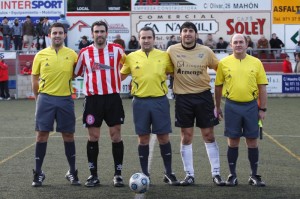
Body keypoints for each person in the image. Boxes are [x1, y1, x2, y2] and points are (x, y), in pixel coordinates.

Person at [167, 21, 225, 186]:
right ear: (180, 35)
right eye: (185, 31)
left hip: (203, 97)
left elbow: (220, 68)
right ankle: (189, 175)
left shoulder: (206, 51)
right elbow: (165, 68)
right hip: (183, 98)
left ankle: (216, 174)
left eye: (191, 31)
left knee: (209, 135)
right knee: (186, 136)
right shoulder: (172, 50)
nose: (187, 34)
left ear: (196, 34)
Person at [120, 26, 179, 185]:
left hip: (160, 101)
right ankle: (145, 173)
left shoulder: (164, 56)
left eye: (149, 37)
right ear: (139, 39)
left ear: (154, 39)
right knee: (143, 138)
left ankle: (168, 172)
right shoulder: (131, 57)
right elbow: (119, 76)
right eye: (143, 37)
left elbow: (173, 73)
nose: (146, 40)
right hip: (140, 102)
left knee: (164, 137)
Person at [74, 21, 126, 188]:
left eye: (102, 31)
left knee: (116, 136)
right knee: (93, 137)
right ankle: (93, 175)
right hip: (93, 100)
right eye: (96, 31)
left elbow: (128, 66)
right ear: (92, 34)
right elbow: (76, 72)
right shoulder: (84, 52)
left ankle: (118, 174)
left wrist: (117, 80)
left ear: (107, 32)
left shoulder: (117, 50)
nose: (99, 34)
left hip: (113, 99)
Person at [214, 34, 268, 187]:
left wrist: (262, 108)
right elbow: (218, 87)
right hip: (232, 106)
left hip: (251, 106)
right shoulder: (223, 63)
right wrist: (217, 107)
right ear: (231, 45)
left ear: (247, 44)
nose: (238, 45)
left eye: (241, 42)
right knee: (233, 141)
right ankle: (233, 175)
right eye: (235, 42)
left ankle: (254, 176)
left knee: (252, 140)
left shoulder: (256, 63)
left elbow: (262, 87)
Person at [31, 22, 80, 187]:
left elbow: (75, 74)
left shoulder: (72, 54)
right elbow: (35, 78)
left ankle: (72, 172)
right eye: (54, 33)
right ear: (49, 35)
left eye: (60, 33)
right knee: (41, 135)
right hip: (45, 98)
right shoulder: (40, 55)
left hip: (65, 99)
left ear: (65, 35)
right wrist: (38, 97)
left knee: (68, 135)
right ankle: (38, 173)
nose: (57, 35)